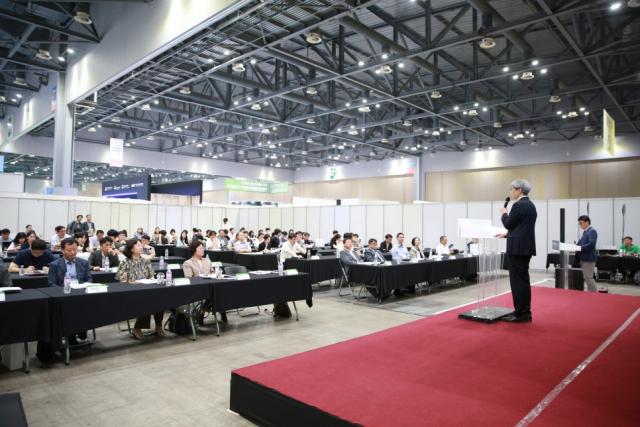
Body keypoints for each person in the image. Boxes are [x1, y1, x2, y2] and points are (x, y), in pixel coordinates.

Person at [499, 179, 537, 323]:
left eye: (512, 189)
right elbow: (522, 227)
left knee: (517, 282)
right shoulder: (531, 205)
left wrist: (504, 213)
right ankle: (523, 310)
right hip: (525, 247)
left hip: (517, 249)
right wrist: (508, 235)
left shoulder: (518, 205)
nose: (511, 192)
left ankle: (521, 313)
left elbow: (508, 223)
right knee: (523, 281)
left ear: (519, 190)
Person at [116, 239, 164, 339]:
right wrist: (133, 282)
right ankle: (137, 328)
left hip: (146, 290)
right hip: (131, 292)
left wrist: (152, 280)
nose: (141, 247)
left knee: (160, 299)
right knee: (147, 301)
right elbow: (122, 281)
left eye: (141, 245)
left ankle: (158, 326)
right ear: (131, 249)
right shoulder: (124, 262)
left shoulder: (145, 261)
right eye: (138, 245)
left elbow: (151, 276)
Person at [576, 215, 599, 292]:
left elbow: (591, 245)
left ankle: (594, 293)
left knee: (588, 277)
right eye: (579, 223)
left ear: (587, 222)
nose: (580, 225)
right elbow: (580, 243)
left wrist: (579, 248)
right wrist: (575, 247)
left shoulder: (592, 231)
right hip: (584, 258)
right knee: (586, 277)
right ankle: (590, 292)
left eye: (581, 223)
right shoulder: (586, 232)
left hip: (589, 258)